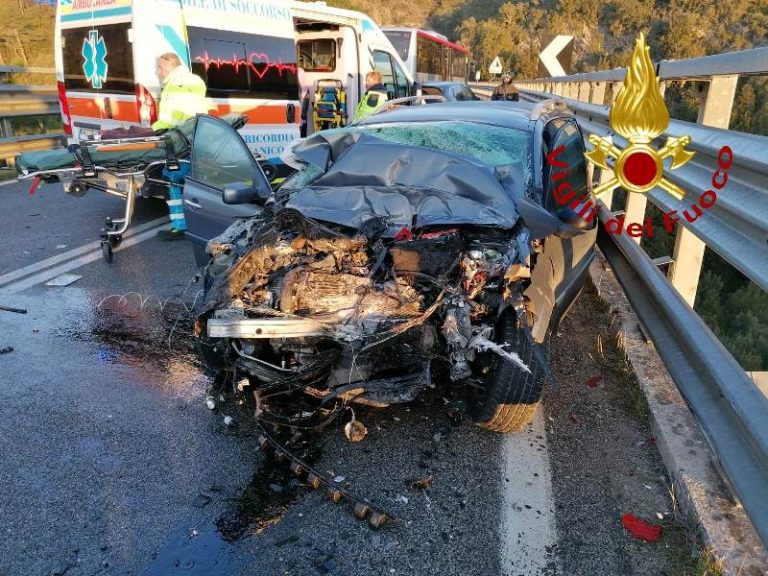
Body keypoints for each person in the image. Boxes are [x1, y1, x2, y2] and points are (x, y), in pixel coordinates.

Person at [152, 53, 208, 240]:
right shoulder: (188, 80)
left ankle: (181, 226)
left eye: (160, 67)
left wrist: (152, 130)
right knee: (189, 179)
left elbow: (171, 117)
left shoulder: (177, 84)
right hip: (191, 137)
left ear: (169, 65)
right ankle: (194, 224)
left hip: (181, 140)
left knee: (173, 178)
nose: (158, 71)